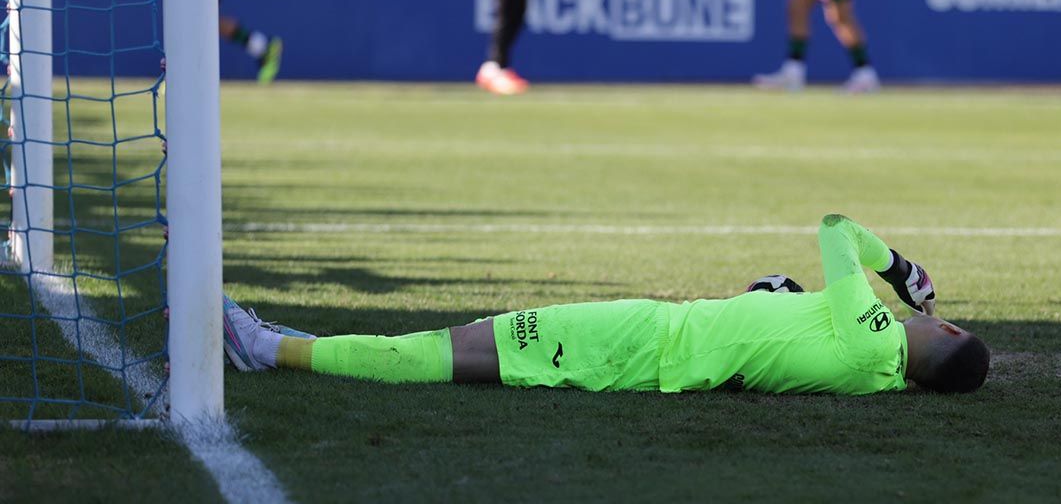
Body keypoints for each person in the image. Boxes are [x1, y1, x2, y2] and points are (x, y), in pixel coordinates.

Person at [222, 213, 990, 397]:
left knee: (458, 350)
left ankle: (270, 349)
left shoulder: (871, 329)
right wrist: (772, 299)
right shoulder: (880, 372)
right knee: (467, 344)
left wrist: (900, 267)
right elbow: (787, 328)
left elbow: (834, 229)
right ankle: (283, 343)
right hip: (659, 351)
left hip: (640, 342)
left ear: (943, 328)